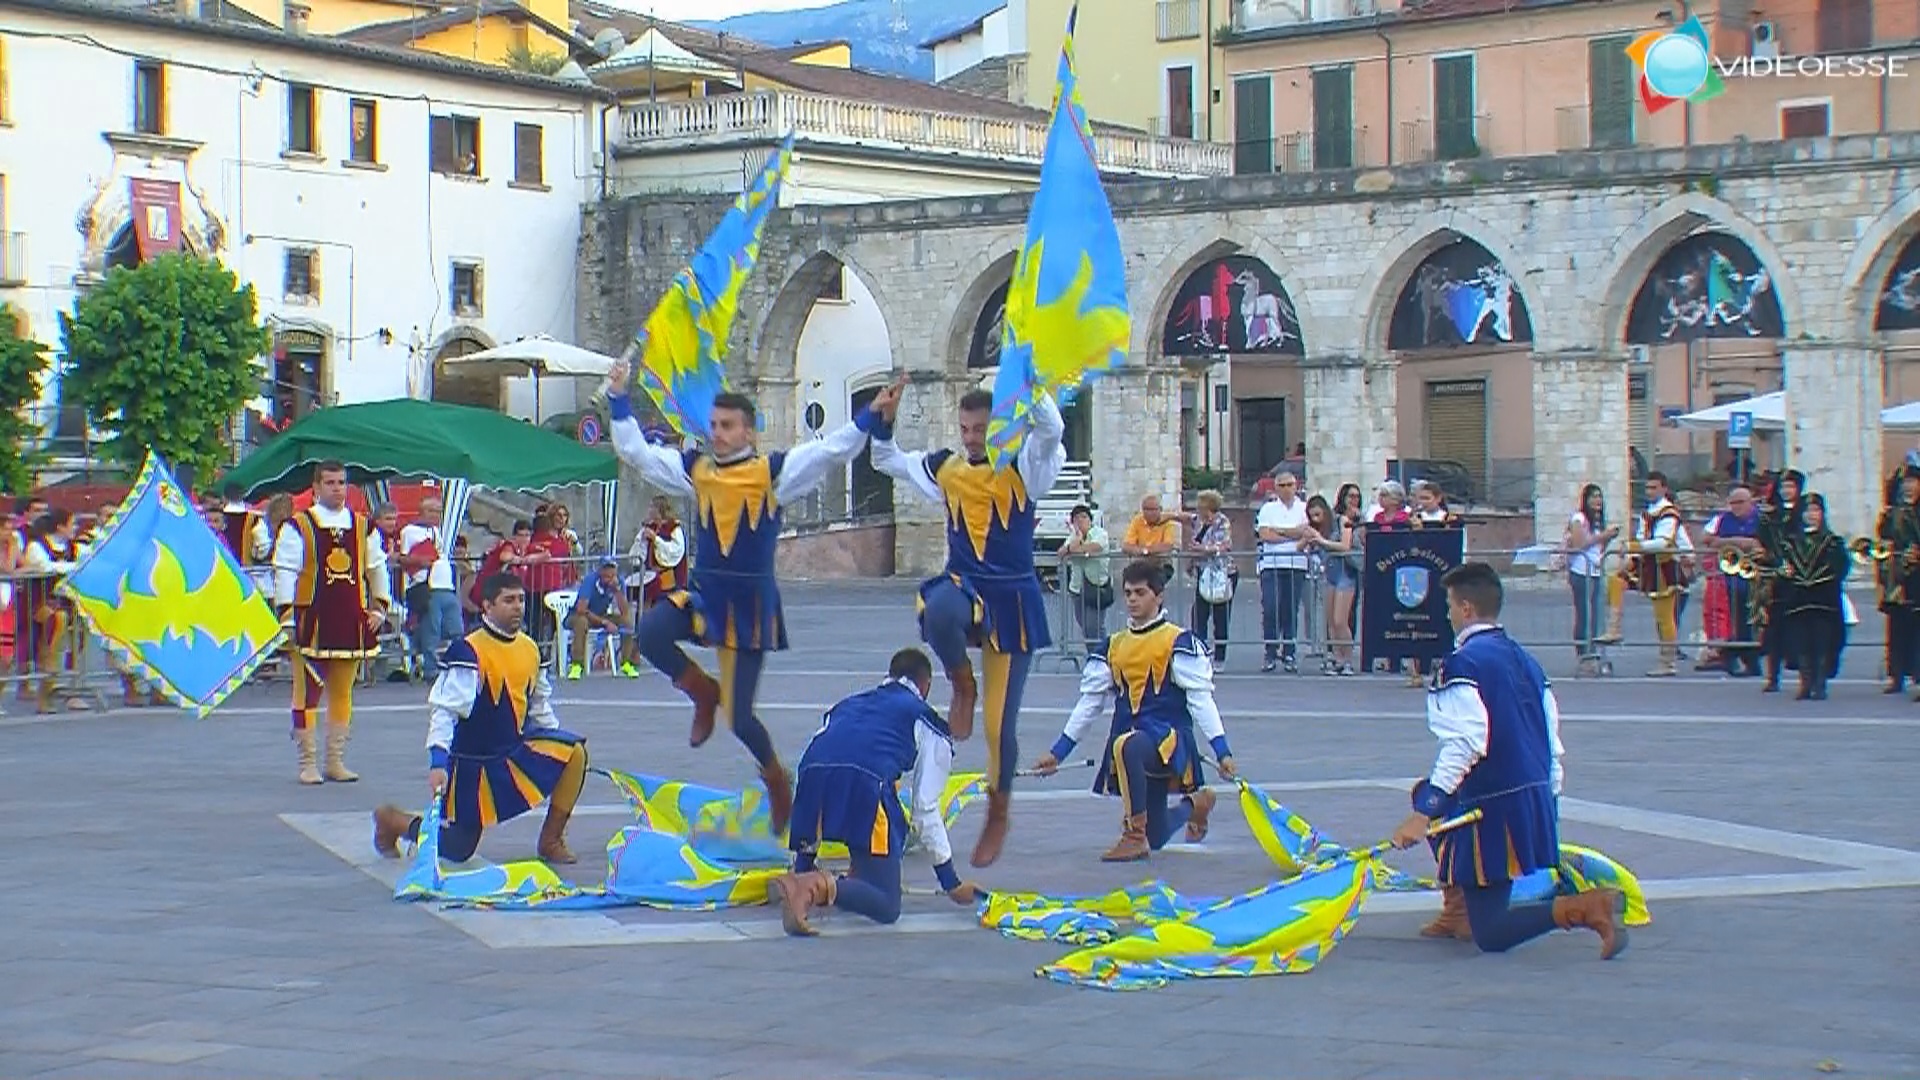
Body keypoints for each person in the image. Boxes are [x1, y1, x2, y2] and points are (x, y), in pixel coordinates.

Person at [605, 362, 898, 835]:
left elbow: (828, 453)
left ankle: (776, 777)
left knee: (741, 717)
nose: (718, 434)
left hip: (749, 609)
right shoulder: (695, 470)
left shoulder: (772, 473)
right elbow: (637, 453)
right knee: (652, 632)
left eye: (727, 426)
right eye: (714, 426)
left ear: (748, 432)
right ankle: (701, 691)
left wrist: (869, 417)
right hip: (704, 597)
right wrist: (619, 399)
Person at [868, 385, 1065, 868]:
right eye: (966, 429)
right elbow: (886, 459)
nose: (972, 438)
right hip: (966, 587)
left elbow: (1053, 430)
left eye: (981, 429)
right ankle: (961, 681)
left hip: (1013, 599)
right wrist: (884, 420)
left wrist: (1030, 384)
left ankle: (999, 807)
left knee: (1000, 729)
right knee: (938, 612)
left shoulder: (1026, 468)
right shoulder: (947, 469)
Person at [1389, 562, 1627, 959]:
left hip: (1490, 805)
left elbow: (1466, 743)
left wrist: (1423, 812)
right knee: (1429, 795)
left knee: (1493, 933)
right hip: (1529, 794)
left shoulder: (1461, 664)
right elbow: (1551, 736)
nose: (1446, 613)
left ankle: (1584, 908)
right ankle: (1460, 909)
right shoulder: (1527, 661)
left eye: (1449, 604)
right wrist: (1549, 796)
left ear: (1466, 609)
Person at [372, 572, 587, 865]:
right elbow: (445, 711)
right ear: (487, 606)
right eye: (508, 600)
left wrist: (555, 747)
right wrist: (438, 762)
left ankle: (551, 839)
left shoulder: (530, 647)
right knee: (457, 848)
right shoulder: (469, 650)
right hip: (472, 763)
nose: (518, 607)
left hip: (512, 752)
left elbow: (539, 706)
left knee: (575, 752)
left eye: (521, 600)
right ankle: (393, 821)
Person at [1031, 559, 1236, 862]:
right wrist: (1058, 752)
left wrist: (1222, 751)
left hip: (1167, 740)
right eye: (1128, 593)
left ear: (1158, 596)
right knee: (1158, 834)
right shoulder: (1113, 646)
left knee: (1126, 744)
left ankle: (1133, 834)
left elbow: (1200, 700)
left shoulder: (1177, 641)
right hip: (1131, 742)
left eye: (1140, 593)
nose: (1132, 600)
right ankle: (1195, 806)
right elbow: (1089, 704)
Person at [767, 647, 982, 936]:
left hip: (811, 776)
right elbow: (925, 809)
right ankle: (812, 886)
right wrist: (950, 882)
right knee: (886, 904)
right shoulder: (926, 718)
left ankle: (800, 875)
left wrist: (805, 857)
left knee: (865, 801)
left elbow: (823, 757)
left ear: (889, 676)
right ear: (926, 685)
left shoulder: (847, 704)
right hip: (865, 785)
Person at [271, 461, 391, 785]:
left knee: (343, 692)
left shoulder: (364, 526)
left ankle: (335, 760)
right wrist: (287, 617)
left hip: (351, 621)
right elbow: (285, 572)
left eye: (341, 482)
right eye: (330, 482)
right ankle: (307, 761)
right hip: (312, 621)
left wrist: (379, 608)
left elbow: (377, 569)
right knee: (306, 691)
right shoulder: (298, 526)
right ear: (316, 487)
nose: (337, 488)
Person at [1777, 494, 1850, 701]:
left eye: (1816, 511)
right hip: (1798, 599)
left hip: (1823, 599)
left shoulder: (1832, 542)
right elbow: (1781, 566)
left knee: (1822, 642)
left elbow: (1841, 567)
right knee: (1800, 641)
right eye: (1807, 511)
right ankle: (1805, 681)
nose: (1811, 516)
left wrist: (1826, 577)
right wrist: (1785, 572)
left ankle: (1820, 682)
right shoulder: (1790, 543)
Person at [1564, 483, 1620, 671]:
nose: (1597, 501)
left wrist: (1607, 538)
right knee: (1584, 615)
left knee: (1597, 615)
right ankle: (1584, 655)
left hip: (1595, 571)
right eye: (1593, 497)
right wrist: (1603, 536)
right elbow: (1580, 544)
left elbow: (1598, 549)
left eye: (1600, 497)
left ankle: (1595, 653)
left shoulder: (1597, 521)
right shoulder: (1579, 519)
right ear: (1585, 500)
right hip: (1581, 571)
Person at [1874, 467, 1920, 695]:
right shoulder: (1893, 513)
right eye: (1906, 482)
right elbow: (1883, 539)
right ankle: (1896, 675)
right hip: (1898, 577)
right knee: (1896, 629)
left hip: (1918, 577)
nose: (1909, 486)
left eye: (1913, 482)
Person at [566, 556, 640, 679]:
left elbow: (625, 611)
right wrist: (605, 622)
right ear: (600, 571)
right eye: (607, 572)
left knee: (626, 622)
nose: (610, 576)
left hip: (600, 615)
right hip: (579, 615)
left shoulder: (618, 581)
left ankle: (626, 662)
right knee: (581, 622)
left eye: (613, 571)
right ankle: (576, 664)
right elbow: (581, 609)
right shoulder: (590, 581)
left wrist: (617, 591)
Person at [1059, 504, 1113, 652]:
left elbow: (1093, 548)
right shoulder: (1073, 537)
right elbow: (1061, 552)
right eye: (1077, 518)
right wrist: (1075, 541)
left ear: (1090, 519)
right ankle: (1094, 654)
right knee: (1085, 626)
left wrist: (1074, 549)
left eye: (1084, 517)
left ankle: (1101, 655)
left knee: (1094, 626)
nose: (1081, 521)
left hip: (1097, 586)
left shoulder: (1100, 534)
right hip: (1077, 588)